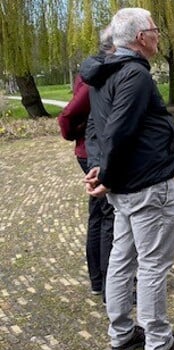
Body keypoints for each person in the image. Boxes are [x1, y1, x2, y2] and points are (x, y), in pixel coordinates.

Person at [80, 7, 174, 350]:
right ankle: (159, 343)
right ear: (139, 38)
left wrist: (100, 169)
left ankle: (121, 335)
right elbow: (115, 131)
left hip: (126, 185)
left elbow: (97, 129)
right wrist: (106, 177)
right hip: (146, 185)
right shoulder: (133, 74)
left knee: (122, 259)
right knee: (151, 265)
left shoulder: (103, 72)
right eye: (154, 29)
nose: (158, 35)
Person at [58, 28, 115, 300]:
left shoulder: (96, 68)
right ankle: (108, 284)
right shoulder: (98, 72)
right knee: (107, 216)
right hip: (94, 153)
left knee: (98, 214)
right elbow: (70, 113)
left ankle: (98, 280)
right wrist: (74, 134)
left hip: (92, 149)